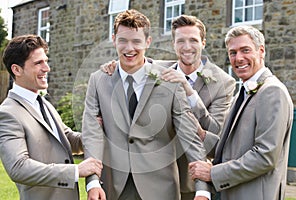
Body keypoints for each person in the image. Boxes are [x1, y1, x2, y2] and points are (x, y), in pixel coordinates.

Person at [101, 14, 236, 199]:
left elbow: (214, 133)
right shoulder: (157, 69)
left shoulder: (224, 82)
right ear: (173, 44)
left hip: (190, 177)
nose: (187, 47)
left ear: (203, 43)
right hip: (153, 177)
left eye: (193, 40)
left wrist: (188, 92)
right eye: (180, 41)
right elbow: (132, 61)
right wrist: (115, 65)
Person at [82, 9, 210, 200]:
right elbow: (91, 133)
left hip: (161, 189)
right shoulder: (98, 80)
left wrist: (202, 189)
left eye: (136, 41)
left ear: (148, 42)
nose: (129, 48)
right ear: (114, 39)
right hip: (113, 188)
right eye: (123, 40)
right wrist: (92, 181)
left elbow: (190, 137)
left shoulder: (170, 81)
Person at [189, 25, 294, 200]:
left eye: (245, 50)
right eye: (233, 52)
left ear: (261, 51)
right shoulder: (243, 92)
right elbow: (233, 149)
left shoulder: (272, 91)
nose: (239, 58)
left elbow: (265, 156)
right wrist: (202, 136)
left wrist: (213, 173)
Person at [0, 34, 104, 200]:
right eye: (38, 63)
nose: (46, 68)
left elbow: (67, 140)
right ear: (16, 70)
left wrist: (96, 133)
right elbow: (19, 168)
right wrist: (76, 171)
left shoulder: (44, 103)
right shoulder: (7, 113)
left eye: (46, 61)